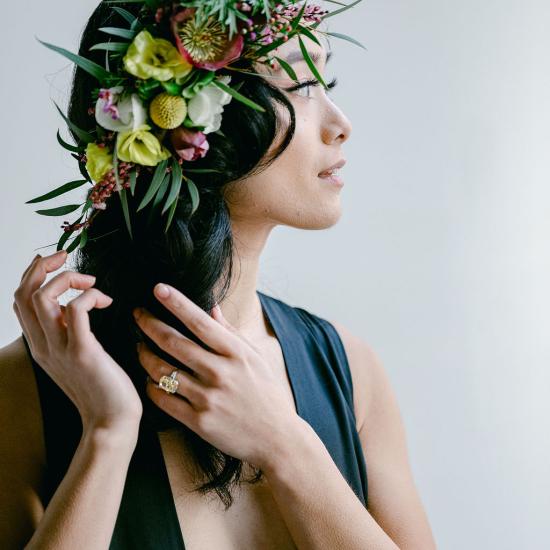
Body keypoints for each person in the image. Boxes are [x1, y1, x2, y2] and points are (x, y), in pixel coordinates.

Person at [1, 1, 436, 548]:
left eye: (326, 82)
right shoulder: (24, 389)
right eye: (299, 85)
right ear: (190, 126)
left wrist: (284, 445)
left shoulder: (350, 371)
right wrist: (107, 434)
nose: (340, 124)